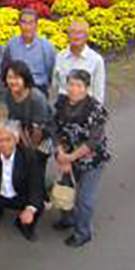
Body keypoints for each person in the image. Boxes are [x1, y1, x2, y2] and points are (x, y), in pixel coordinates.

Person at [53, 69, 110, 248]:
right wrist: (60, 153)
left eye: (78, 85)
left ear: (87, 88)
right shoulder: (61, 103)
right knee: (65, 189)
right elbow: (53, 128)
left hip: (92, 160)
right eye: (70, 84)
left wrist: (69, 158)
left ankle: (83, 233)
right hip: (67, 155)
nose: (73, 89)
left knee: (84, 199)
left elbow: (94, 141)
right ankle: (67, 219)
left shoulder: (96, 109)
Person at [4, 61, 53, 158]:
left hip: (43, 135)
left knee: (36, 162)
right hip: (23, 131)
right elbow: (14, 120)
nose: (12, 81)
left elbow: (38, 130)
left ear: (25, 78)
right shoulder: (8, 94)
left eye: (17, 78)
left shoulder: (36, 98)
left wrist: (30, 150)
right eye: (9, 77)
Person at [53, 20, 106, 104]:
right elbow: (55, 85)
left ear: (86, 36)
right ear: (68, 35)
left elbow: (99, 93)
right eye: (73, 32)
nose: (76, 36)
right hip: (63, 107)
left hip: (86, 108)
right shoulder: (60, 56)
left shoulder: (96, 60)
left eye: (80, 33)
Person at [4, 9, 56, 95]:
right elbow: (7, 65)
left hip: (38, 88)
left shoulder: (46, 46)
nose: (27, 27)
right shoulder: (12, 44)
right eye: (24, 22)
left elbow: (50, 70)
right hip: (17, 89)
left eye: (31, 23)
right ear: (19, 24)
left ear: (36, 25)